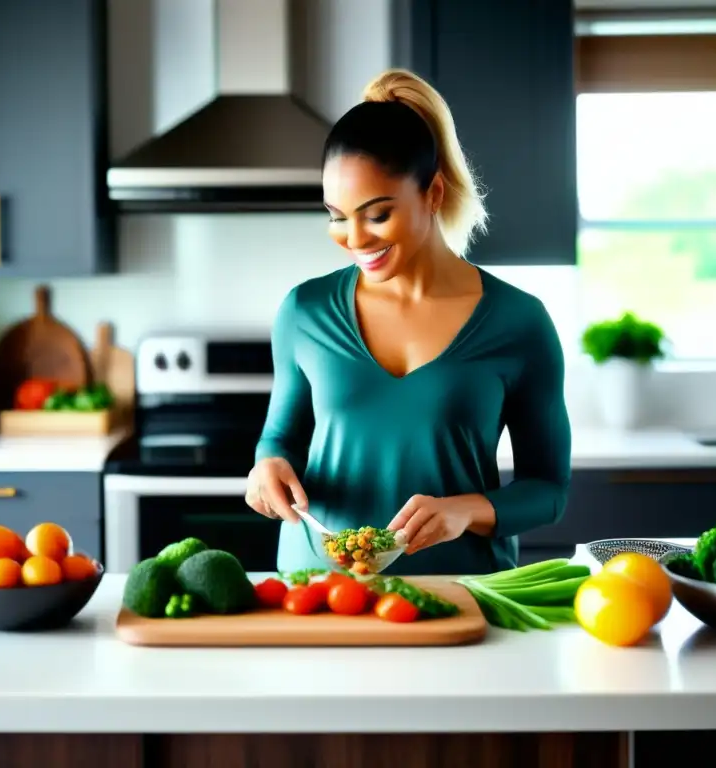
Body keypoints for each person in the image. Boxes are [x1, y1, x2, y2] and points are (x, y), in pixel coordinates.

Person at [245, 68, 572, 576]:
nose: (354, 238)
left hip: (461, 592)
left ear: (433, 194)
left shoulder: (519, 322)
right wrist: (267, 468)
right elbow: (279, 438)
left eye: (376, 215)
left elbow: (549, 490)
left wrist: (465, 510)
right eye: (336, 215)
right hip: (318, 590)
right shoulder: (303, 312)